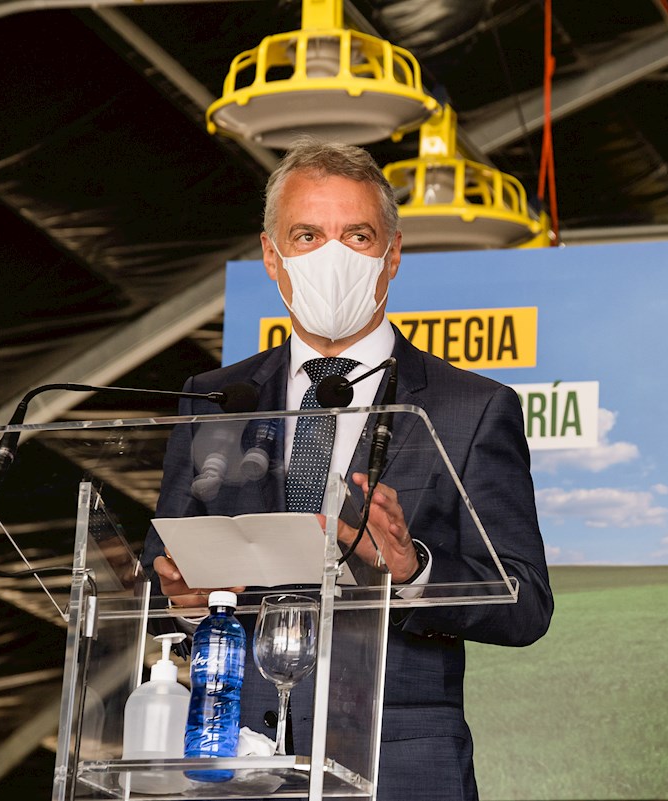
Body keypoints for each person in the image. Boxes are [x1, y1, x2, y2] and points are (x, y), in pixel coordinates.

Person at [141, 138, 553, 801]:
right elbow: (156, 572)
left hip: (401, 768)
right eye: (307, 234)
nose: (331, 256)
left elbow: (527, 601)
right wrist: (183, 602)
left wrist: (412, 567)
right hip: (239, 761)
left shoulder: (470, 408)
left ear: (391, 256)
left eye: (356, 235)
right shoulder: (215, 398)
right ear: (272, 257)